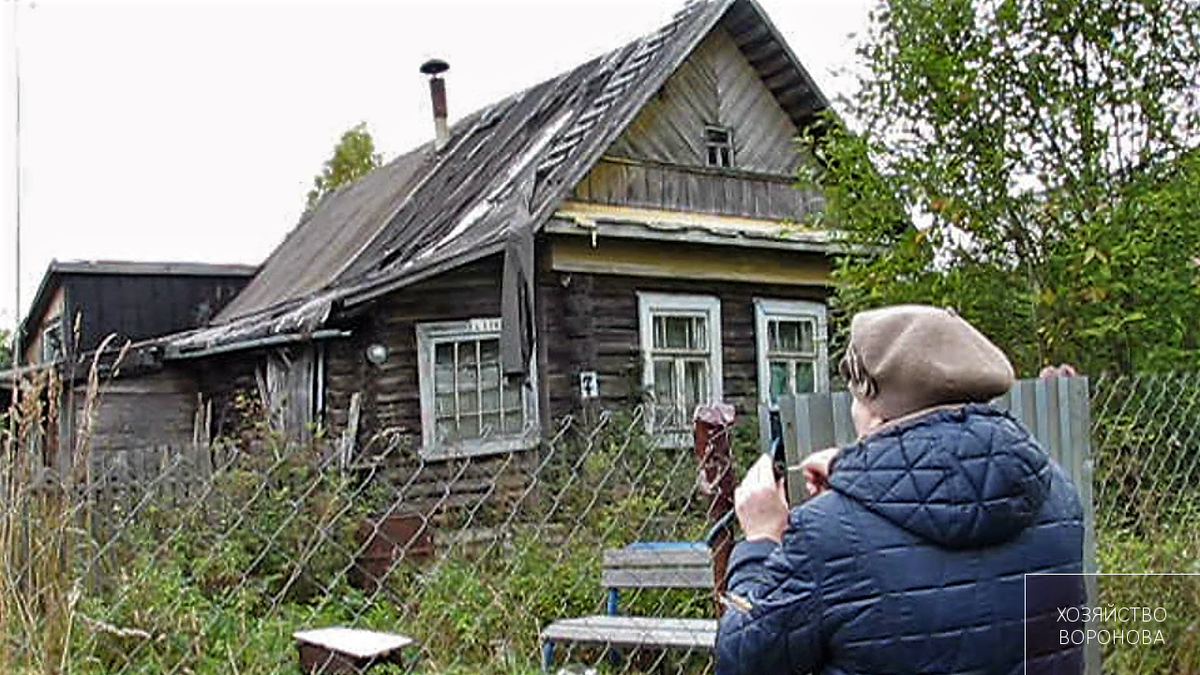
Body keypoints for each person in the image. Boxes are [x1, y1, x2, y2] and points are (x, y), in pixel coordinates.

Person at [716, 305, 1085, 675]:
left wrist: (761, 540)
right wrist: (854, 476)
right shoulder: (1057, 495)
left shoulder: (823, 536)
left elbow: (744, 662)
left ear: (875, 410)